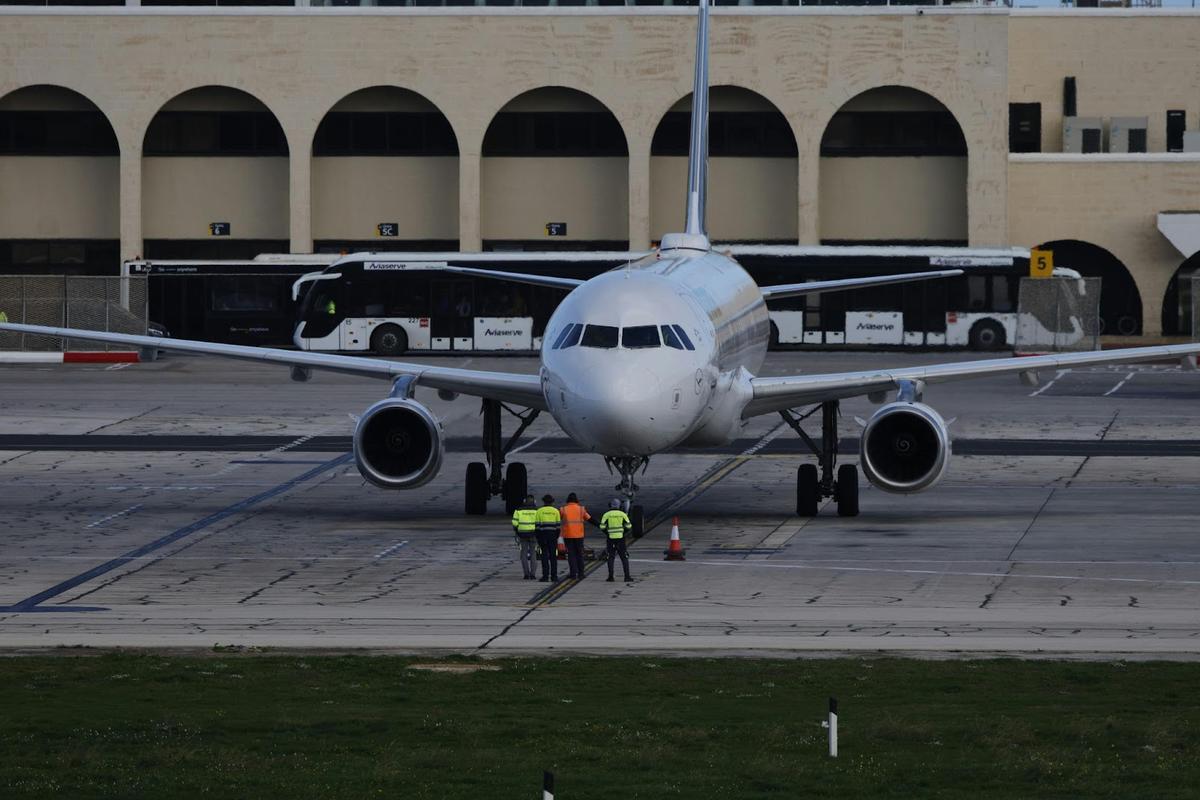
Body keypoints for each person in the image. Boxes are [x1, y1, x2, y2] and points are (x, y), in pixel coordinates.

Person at [559, 492, 594, 580]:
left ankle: (573, 574)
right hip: (579, 535)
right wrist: (600, 525)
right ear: (576, 500)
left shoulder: (563, 509)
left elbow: (557, 519)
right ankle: (581, 574)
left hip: (568, 535)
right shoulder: (581, 509)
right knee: (579, 554)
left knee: (571, 555)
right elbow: (590, 519)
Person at [599, 498, 633, 583]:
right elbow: (629, 526)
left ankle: (611, 577)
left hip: (610, 538)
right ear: (619, 506)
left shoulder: (606, 515)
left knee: (610, 557)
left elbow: (602, 527)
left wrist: (608, 533)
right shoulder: (623, 514)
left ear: (610, 505)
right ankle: (627, 577)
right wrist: (623, 532)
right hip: (620, 538)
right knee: (624, 557)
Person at [534, 494, 561, 583]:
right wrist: (556, 536)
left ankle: (545, 576)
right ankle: (554, 576)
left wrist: (538, 537)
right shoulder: (556, 511)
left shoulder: (539, 511)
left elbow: (537, 526)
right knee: (553, 557)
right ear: (552, 501)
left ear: (543, 501)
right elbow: (558, 526)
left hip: (543, 535)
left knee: (544, 556)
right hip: (552, 535)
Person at [511, 494, 539, 580]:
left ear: (524, 501)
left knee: (523, 553)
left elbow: (515, 523)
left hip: (522, 534)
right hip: (534, 534)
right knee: (533, 553)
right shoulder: (537, 511)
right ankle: (533, 574)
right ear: (534, 501)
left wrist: (517, 530)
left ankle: (526, 574)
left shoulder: (518, 510)